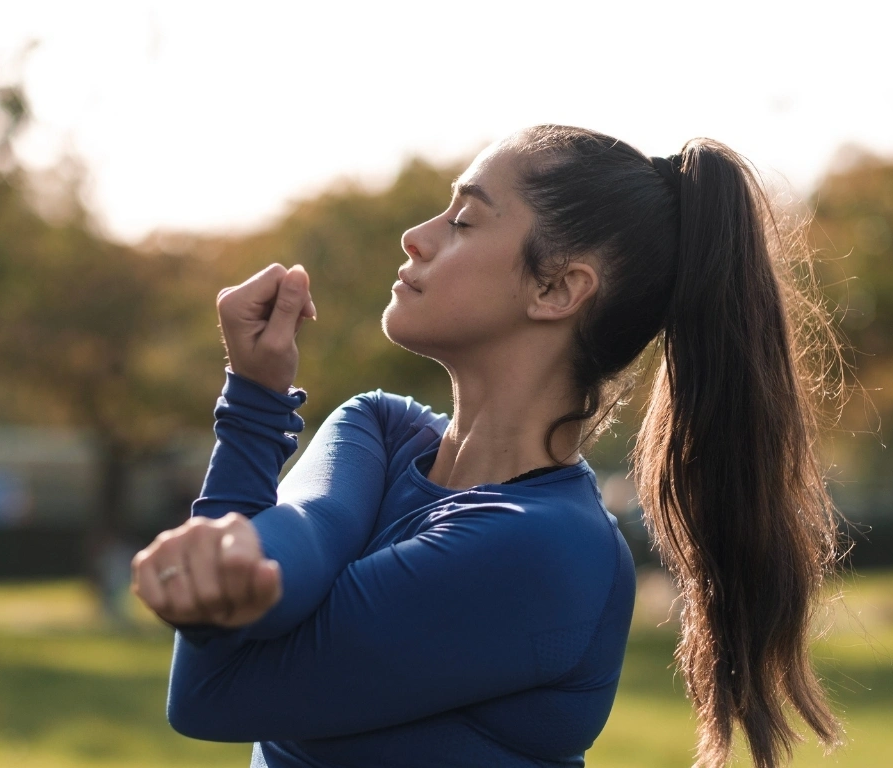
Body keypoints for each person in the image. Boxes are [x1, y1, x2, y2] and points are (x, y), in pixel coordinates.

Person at [131, 125, 843, 768]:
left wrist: (254, 423)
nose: (416, 235)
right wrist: (234, 526)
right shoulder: (377, 427)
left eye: (464, 219)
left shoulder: (545, 550)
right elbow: (291, 550)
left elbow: (213, 692)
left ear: (558, 288)